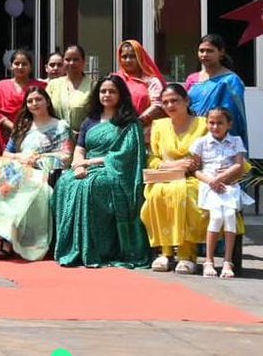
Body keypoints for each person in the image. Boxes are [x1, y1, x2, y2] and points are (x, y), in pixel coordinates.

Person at [53, 75, 150, 268]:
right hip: (86, 166)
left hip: (115, 171)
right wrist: (79, 164)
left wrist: (90, 162)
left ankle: (99, 248)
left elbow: (126, 157)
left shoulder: (129, 123)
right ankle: (72, 246)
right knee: (65, 183)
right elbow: (79, 149)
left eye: (112, 91)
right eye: (103, 91)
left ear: (121, 94)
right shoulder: (90, 121)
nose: (107, 95)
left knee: (91, 186)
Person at [0, 86, 73, 261]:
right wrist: (21, 157)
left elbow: (65, 158)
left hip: (43, 174)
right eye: (30, 101)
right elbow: (7, 153)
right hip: (19, 172)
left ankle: (10, 242)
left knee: (14, 186)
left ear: (47, 102)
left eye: (38, 99)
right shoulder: (23, 125)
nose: (34, 103)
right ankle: (5, 238)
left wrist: (36, 160)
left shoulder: (60, 126)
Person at [140, 84, 208, 275]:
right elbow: (153, 157)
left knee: (183, 194)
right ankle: (166, 252)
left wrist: (190, 166)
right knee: (157, 195)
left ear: (186, 101)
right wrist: (172, 166)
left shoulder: (203, 124)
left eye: (174, 100)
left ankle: (187, 255)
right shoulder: (159, 126)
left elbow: (207, 155)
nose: (170, 105)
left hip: (196, 177)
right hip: (165, 176)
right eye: (166, 102)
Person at [193, 106, 254, 279]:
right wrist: (211, 181)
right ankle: (209, 260)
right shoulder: (201, 143)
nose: (215, 126)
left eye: (220, 123)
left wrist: (222, 178)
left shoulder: (235, 141)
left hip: (229, 185)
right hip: (209, 185)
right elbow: (195, 170)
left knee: (228, 215)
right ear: (206, 124)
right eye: (211, 123)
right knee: (217, 217)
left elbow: (239, 165)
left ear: (229, 124)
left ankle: (227, 261)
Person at [185, 34, 249, 150]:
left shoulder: (230, 80)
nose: (204, 55)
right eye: (201, 51)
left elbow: (232, 115)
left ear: (221, 53)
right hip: (192, 135)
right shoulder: (192, 79)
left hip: (218, 137)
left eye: (209, 51)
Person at [0, 49, 46, 157]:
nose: (20, 67)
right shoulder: (1, 86)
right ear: (11, 66)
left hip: (35, 133)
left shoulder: (40, 86)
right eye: (17, 63)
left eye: (24, 64)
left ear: (30, 67)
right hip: (6, 136)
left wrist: (27, 130)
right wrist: (13, 128)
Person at [113, 39, 166, 124]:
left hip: (144, 129)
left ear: (140, 57)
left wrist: (137, 123)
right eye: (124, 56)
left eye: (133, 56)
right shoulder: (115, 79)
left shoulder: (151, 81)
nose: (128, 60)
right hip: (116, 128)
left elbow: (158, 105)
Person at [46, 44, 92, 133]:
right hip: (56, 138)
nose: (71, 63)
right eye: (67, 59)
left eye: (75, 59)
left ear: (83, 62)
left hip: (84, 140)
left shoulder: (93, 86)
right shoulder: (53, 85)